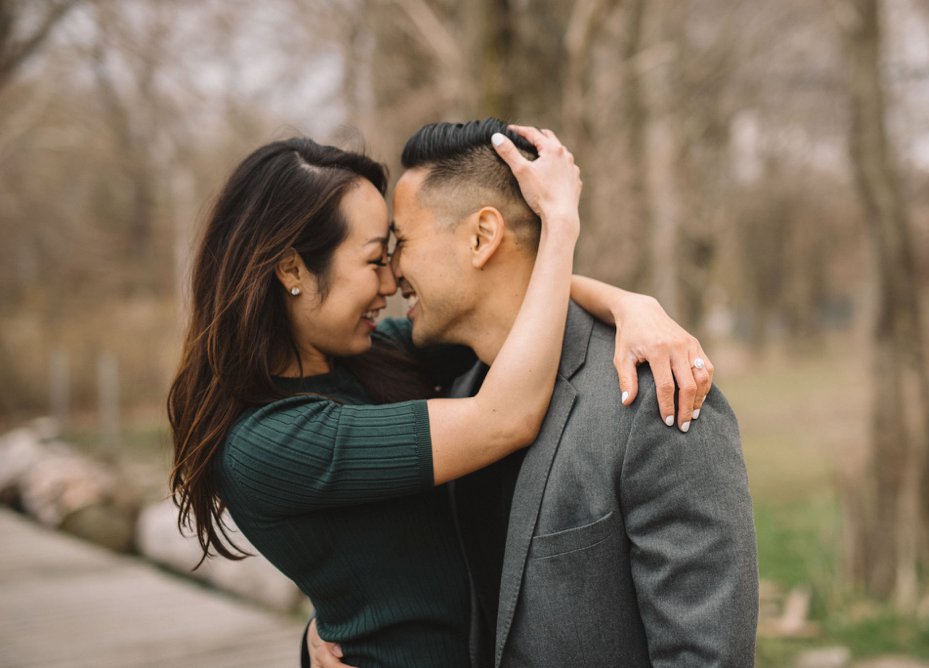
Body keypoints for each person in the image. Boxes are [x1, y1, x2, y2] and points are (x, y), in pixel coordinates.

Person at [169, 129, 711, 668]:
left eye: (395, 251)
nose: (391, 279)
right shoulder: (268, 440)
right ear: (291, 269)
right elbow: (504, 418)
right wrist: (560, 227)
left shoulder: (372, 357)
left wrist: (631, 306)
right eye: (374, 259)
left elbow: (503, 305)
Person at [309, 119, 757, 667]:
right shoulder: (458, 392)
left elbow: (707, 657)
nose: (391, 271)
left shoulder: (657, 394)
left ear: (482, 236)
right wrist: (329, 638)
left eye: (401, 242)